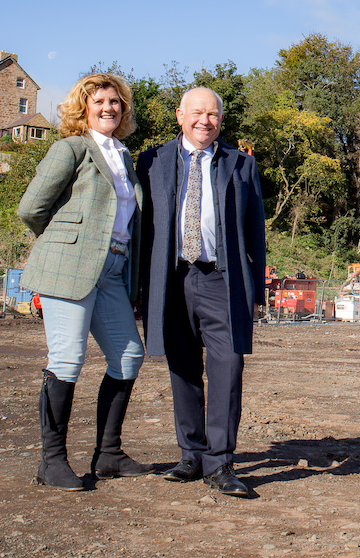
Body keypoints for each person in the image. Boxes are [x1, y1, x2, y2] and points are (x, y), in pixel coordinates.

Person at [18, 73, 150, 491]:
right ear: (83, 108)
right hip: (70, 266)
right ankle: (51, 462)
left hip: (113, 271)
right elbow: (31, 208)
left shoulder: (126, 157)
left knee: (129, 356)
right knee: (68, 360)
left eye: (115, 101)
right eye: (99, 102)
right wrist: (65, 241)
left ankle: (108, 454)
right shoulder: (70, 148)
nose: (109, 107)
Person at [137, 87, 267, 497]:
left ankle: (220, 462)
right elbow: (142, 228)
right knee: (182, 366)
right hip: (172, 278)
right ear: (180, 115)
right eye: (196, 113)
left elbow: (255, 231)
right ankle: (191, 454)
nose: (204, 121)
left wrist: (257, 291)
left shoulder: (242, 164)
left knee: (228, 366)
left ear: (220, 121)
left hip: (221, 280)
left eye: (212, 115)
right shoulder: (151, 160)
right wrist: (139, 284)